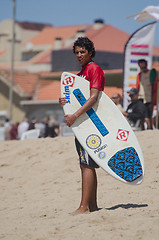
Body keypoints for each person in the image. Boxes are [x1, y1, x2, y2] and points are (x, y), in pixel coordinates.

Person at [59, 37, 106, 214]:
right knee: (85, 163)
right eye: (77, 52)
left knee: (86, 164)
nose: (79, 55)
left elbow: (94, 98)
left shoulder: (94, 69)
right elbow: (75, 100)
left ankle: (84, 207)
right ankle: (92, 206)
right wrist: (64, 101)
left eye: (82, 52)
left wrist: (75, 115)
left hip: (91, 123)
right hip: (81, 123)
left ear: (90, 53)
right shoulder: (80, 74)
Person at [136, 59, 158, 129]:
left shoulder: (152, 73)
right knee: (143, 117)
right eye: (141, 67)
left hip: (149, 99)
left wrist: (153, 101)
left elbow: (154, 87)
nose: (143, 68)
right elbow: (138, 87)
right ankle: (143, 131)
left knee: (149, 116)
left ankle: (150, 130)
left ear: (146, 65)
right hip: (141, 98)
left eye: (144, 67)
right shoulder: (140, 75)